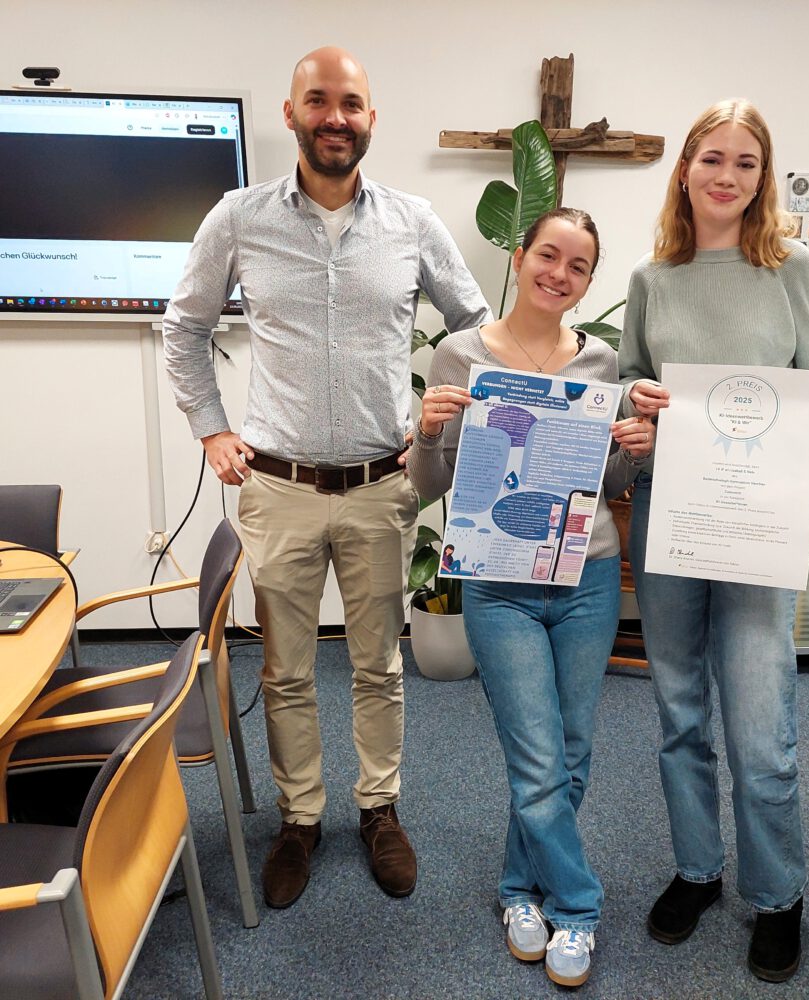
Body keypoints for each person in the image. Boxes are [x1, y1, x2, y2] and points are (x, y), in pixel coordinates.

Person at [162, 46, 490, 910]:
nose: (335, 116)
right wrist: (212, 430)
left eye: (351, 103)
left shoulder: (414, 222)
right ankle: (299, 819)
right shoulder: (237, 218)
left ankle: (379, 808)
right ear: (292, 114)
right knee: (287, 670)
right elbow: (183, 328)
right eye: (319, 101)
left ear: (371, 119)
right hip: (278, 489)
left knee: (380, 664)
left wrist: (452, 409)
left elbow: (476, 324)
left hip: (385, 487)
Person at [617, 99, 809, 983]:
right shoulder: (654, 277)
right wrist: (636, 416)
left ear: (763, 179)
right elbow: (628, 388)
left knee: (764, 727)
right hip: (671, 516)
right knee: (679, 711)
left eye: (746, 164)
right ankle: (698, 869)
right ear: (685, 168)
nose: (727, 177)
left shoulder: (788, 268)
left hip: (759, 522)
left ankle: (779, 893)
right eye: (712, 159)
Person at [407, 207, 654, 988]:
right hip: (499, 582)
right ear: (520, 257)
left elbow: (608, 486)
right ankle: (578, 905)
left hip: (585, 578)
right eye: (549, 255)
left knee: (571, 754)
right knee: (540, 758)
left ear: (586, 282)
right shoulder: (460, 354)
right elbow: (429, 486)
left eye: (578, 266)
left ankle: (519, 891)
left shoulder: (602, 362)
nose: (560, 273)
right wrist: (426, 431)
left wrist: (631, 453)